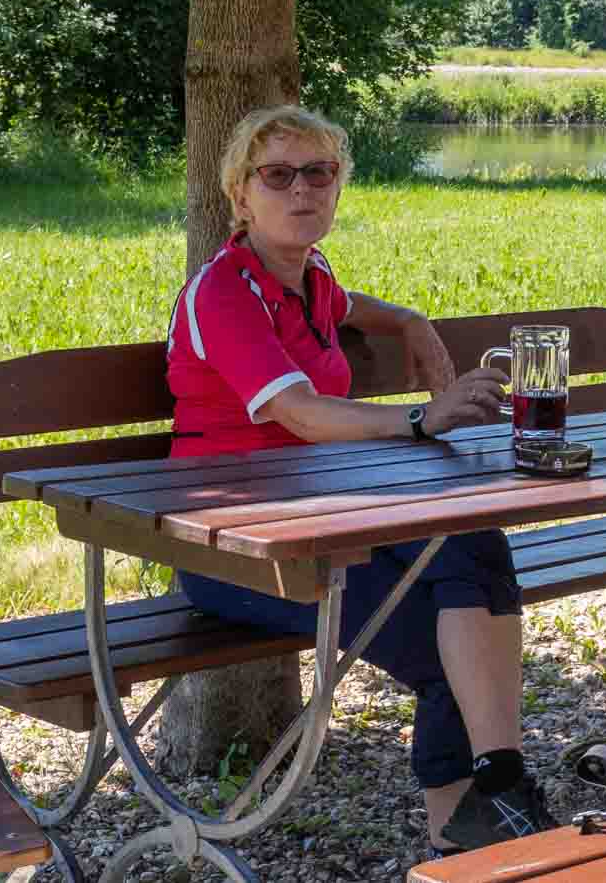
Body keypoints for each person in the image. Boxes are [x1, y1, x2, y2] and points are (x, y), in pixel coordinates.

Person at [166, 103, 554, 855]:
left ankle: (490, 802)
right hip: (236, 547)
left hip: (332, 519)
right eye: (277, 174)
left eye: (320, 172)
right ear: (240, 197)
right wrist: (418, 419)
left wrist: (409, 319)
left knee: (475, 542)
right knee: (445, 640)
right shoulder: (220, 293)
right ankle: (474, 824)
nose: (302, 189)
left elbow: (351, 307)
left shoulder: (313, 280)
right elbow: (302, 414)